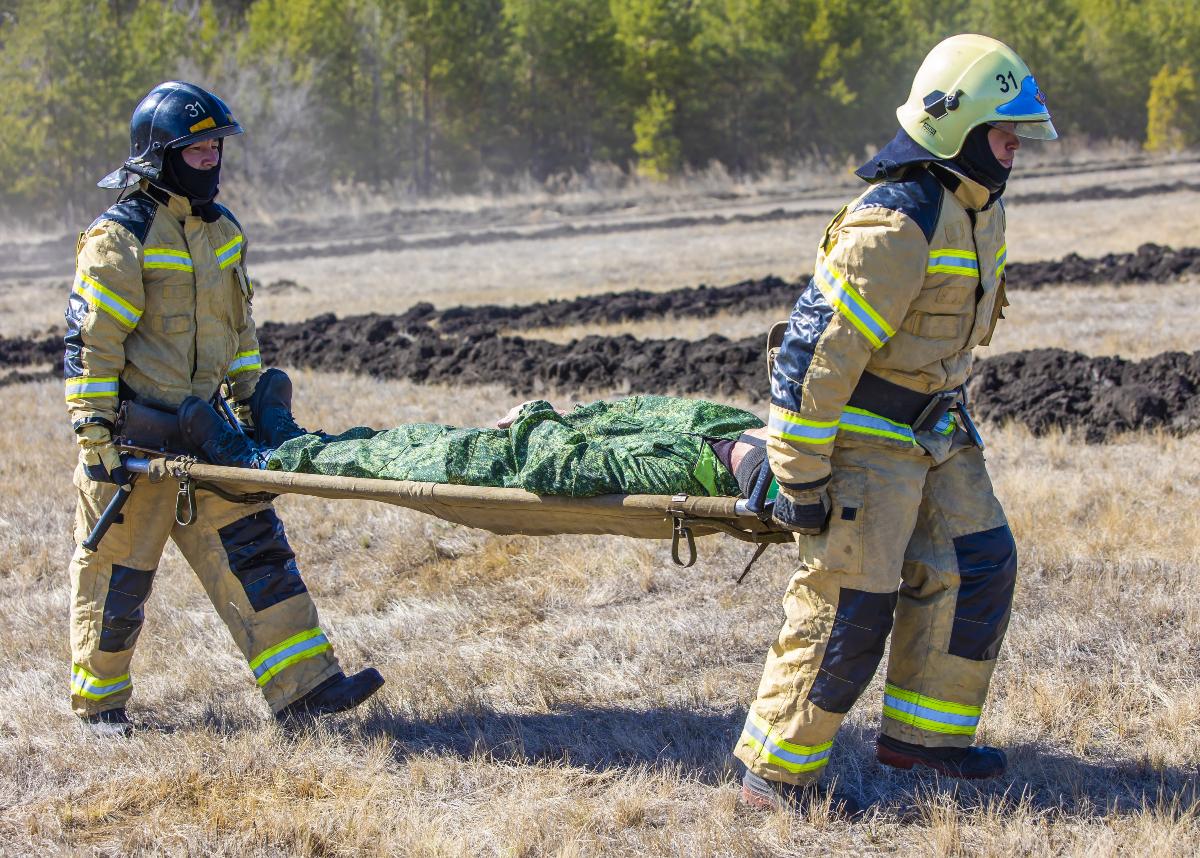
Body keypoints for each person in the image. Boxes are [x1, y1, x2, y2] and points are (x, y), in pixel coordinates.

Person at [731, 34, 1057, 815]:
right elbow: (813, 358)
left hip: (935, 431)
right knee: (849, 605)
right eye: (1004, 130)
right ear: (958, 126)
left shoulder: (977, 203)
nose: (1017, 147)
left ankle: (925, 741)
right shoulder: (896, 220)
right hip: (863, 439)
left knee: (977, 563)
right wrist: (801, 476)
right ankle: (774, 780)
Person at [65, 82, 382, 739]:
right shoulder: (118, 238)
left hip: (209, 435)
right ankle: (99, 706)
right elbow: (92, 341)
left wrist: (249, 400)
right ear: (159, 157)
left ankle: (307, 688)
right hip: (136, 447)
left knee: (257, 553)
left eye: (217, 149)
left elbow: (239, 334)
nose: (213, 159)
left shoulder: (222, 232)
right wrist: (94, 431)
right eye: (200, 150)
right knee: (119, 580)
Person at [134, 373, 774, 499]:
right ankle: (289, 441)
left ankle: (254, 455)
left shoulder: (686, 470)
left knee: (384, 457)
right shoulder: (726, 426)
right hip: (500, 441)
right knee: (390, 438)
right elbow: (634, 405)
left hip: (495, 466)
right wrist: (553, 413)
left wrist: (535, 419)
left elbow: (560, 472)